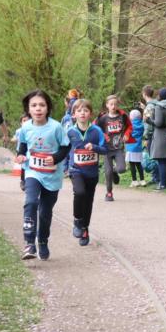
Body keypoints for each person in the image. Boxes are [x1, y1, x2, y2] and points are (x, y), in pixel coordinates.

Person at [15, 89, 69, 259]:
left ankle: (43, 240)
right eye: (34, 105)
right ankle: (29, 243)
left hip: (52, 176)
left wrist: (54, 158)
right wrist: (21, 155)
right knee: (30, 202)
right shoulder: (25, 127)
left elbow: (65, 146)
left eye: (42, 105)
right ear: (28, 109)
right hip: (33, 172)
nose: (38, 109)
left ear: (47, 108)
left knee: (45, 212)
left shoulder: (55, 127)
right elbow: (22, 146)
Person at [66, 98, 106, 246]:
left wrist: (94, 147)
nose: (82, 113)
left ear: (90, 114)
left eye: (86, 110)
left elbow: (105, 149)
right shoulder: (70, 131)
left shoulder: (97, 131)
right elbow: (64, 150)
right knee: (80, 192)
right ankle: (77, 220)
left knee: (88, 201)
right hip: (76, 170)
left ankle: (84, 228)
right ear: (74, 114)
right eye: (79, 110)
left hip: (92, 172)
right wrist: (63, 167)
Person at [95, 94, 131, 202]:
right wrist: (104, 136)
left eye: (115, 104)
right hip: (107, 149)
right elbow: (96, 128)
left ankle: (116, 171)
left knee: (122, 169)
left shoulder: (123, 116)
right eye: (111, 104)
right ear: (107, 105)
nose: (113, 106)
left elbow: (129, 126)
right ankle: (109, 193)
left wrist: (127, 134)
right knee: (108, 171)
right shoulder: (103, 118)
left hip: (119, 147)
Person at [141, 85, 161, 186]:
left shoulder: (149, 106)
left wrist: (146, 135)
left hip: (151, 135)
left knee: (153, 156)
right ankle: (157, 177)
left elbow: (148, 123)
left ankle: (156, 178)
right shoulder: (156, 104)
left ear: (144, 94)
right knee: (155, 156)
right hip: (157, 134)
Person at [125, 109, 147, 186]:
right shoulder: (142, 125)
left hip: (130, 148)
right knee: (138, 164)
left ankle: (134, 181)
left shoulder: (129, 126)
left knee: (132, 165)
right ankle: (142, 180)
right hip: (138, 148)